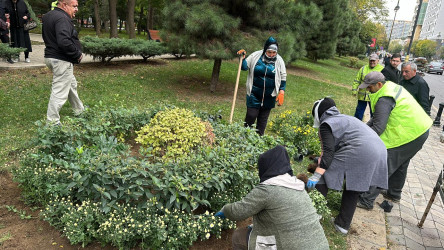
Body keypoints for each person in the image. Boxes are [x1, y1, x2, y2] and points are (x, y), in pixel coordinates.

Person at [215, 145, 329, 250]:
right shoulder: (297, 186)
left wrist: (225, 210)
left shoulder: (268, 189)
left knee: (239, 236)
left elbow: (238, 211)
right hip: (321, 245)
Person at [306, 98, 388, 235]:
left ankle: (314, 214)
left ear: (318, 114)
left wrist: (316, 174)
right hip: (379, 150)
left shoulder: (326, 124)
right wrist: (320, 159)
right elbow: (331, 149)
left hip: (362, 150)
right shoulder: (344, 119)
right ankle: (342, 225)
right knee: (354, 185)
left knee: (325, 173)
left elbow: (328, 154)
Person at [357, 72, 432, 210]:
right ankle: (394, 193)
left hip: (409, 133)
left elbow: (378, 127)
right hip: (420, 130)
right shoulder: (389, 86)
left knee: (385, 165)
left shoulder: (385, 98)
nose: (368, 90)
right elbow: (377, 118)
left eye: (369, 87)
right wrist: (362, 129)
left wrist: (360, 139)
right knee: (401, 163)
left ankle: (366, 200)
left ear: (379, 84)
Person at [42, 0, 84, 125]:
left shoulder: (50, 15)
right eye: (74, 6)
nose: (76, 9)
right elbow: (64, 41)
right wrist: (77, 54)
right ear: (64, 5)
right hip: (61, 60)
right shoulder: (62, 18)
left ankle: (79, 110)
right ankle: (52, 122)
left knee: (71, 85)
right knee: (59, 91)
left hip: (52, 57)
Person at [237, 36, 286, 136]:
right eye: (269, 52)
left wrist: (281, 91)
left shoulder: (279, 61)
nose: (272, 55)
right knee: (251, 116)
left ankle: (258, 142)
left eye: (274, 53)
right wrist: (242, 58)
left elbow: (283, 76)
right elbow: (245, 67)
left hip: (269, 96)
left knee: (262, 121)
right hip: (254, 93)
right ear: (265, 50)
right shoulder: (256, 56)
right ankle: (244, 137)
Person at [352, 53, 384, 120]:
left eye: (374, 61)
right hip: (362, 96)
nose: (372, 62)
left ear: (378, 61)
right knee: (359, 112)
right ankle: (356, 125)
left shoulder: (382, 69)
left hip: (374, 96)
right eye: (371, 60)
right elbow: (357, 80)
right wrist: (354, 90)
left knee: (374, 113)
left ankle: (372, 127)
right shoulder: (363, 68)